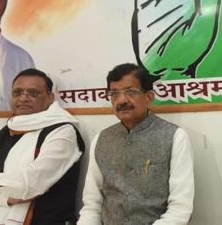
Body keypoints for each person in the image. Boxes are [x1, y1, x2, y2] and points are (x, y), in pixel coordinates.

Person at [0, 69, 85, 225]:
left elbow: (28, 186)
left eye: (33, 93)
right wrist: (2, 198)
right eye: (18, 92)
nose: (23, 98)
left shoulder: (62, 132)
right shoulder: (4, 133)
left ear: (50, 98)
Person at [78, 63, 194, 225]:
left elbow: (181, 208)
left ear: (149, 97)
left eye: (130, 92)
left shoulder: (175, 137)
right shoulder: (101, 139)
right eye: (114, 94)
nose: (122, 100)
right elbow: (92, 204)